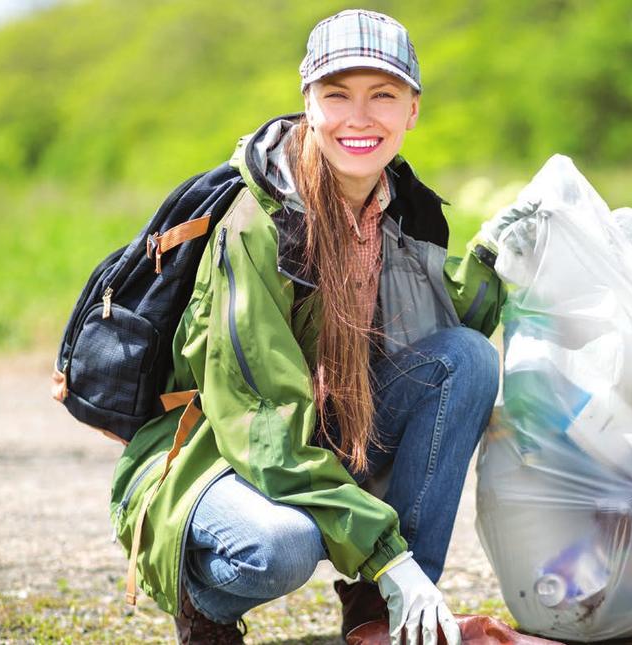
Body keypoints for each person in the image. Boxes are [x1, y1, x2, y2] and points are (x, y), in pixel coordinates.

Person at [108, 9, 536, 645]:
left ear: (412, 109)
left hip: (325, 429)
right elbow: (262, 424)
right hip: (215, 453)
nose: (360, 118)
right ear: (307, 102)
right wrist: (393, 557)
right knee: (285, 544)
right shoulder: (257, 225)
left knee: (466, 360)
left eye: (383, 95)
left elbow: (447, 322)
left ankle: (382, 616)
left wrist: (510, 253)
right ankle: (206, 606)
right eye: (337, 95)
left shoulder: (395, 205)